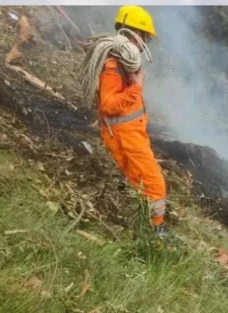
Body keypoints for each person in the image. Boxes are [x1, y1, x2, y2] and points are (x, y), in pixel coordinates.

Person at [81, 6, 167, 236]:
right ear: (136, 33)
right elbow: (108, 106)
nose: (145, 43)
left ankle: (141, 225)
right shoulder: (112, 66)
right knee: (154, 184)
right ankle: (156, 230)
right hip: (124, 136)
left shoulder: (123, 62)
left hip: (131, 133)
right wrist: (136, 87)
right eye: (146, 37)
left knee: (138, 181)